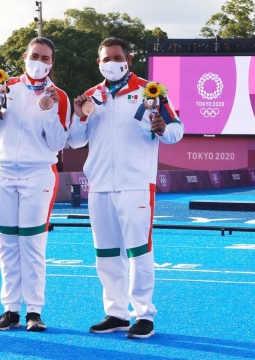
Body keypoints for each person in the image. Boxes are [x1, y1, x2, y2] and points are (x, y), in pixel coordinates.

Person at [68, 37, 184, 339]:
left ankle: (143, 314)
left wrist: (162, 129)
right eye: (106, 59)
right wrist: (80, 115)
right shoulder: (92, 96)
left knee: (138, 251)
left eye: (117, 57)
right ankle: (116, 313)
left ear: (128, 59)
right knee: (106, 253)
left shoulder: (151, 91)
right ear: (98, 62)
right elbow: (76, 140)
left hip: (136, 184)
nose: (112, 63)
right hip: (100, 184)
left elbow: (176, 129)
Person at [0, 37, 70, 332]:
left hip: (38, 175)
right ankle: (10, 310)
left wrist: (51, 111)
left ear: (52, 62)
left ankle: (34, 311)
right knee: (6, 244)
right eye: (35, 56)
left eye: (45, 58)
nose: (39, 62)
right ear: (24, 56)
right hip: (1, 173)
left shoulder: (60, 96)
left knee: (32, 244)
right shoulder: (4, 86)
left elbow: (57, 142)